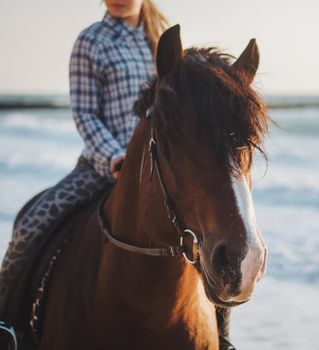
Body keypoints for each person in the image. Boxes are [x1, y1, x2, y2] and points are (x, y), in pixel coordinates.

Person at [0, 1, 235, 349]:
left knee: (209, 235)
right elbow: (84, 113)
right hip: (103, 167)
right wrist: (114, 157)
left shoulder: (162, 40)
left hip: (159, 171)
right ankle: (9, 328)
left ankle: (222, 336)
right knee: (30, 224)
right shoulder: (91, 41)